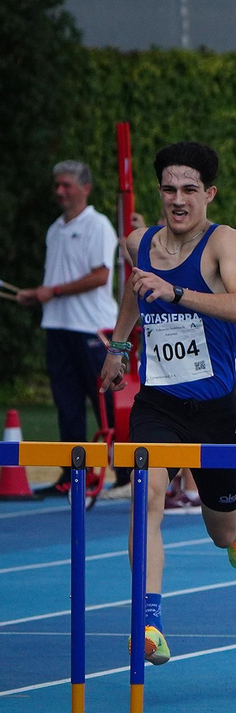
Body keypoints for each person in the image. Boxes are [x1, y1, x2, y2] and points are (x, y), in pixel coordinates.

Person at [99, 141, 236, 666]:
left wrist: (177, 293)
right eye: (169, 188)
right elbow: (134, 288)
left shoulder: (223, 242)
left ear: (209, 193)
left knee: (222, 533)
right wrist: (121, 346)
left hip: (214, 407)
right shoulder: (138, 242)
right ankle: (148, 621)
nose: (178, 199)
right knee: (148, 494)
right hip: (159, 404)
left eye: (190, 189)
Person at [16, 161, 120, 495]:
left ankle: (127, 473)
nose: (60, 192)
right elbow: (56, 280)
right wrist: (40, 295)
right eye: (57, 186)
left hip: (92, 328)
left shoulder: (98, 225)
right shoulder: (54, 229)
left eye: (67, 185)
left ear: (85, 188)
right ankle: (72, 474)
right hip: (59, 326)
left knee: (104, 404)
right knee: (67, 404)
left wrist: (54, 291)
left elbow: (101, 275)